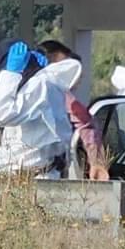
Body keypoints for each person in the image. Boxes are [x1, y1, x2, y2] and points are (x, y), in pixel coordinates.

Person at [0, 40, 82, 179]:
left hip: (27, 176)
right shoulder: (48, 84)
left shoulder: (40, 85)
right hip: (38, 172)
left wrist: (11, 74)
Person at [38, 40, 110, 181]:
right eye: (64, 65)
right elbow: (86, 125)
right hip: (44, 172)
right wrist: (98, 163)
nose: (70, 71)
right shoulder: (60, 94)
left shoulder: (20, 91)